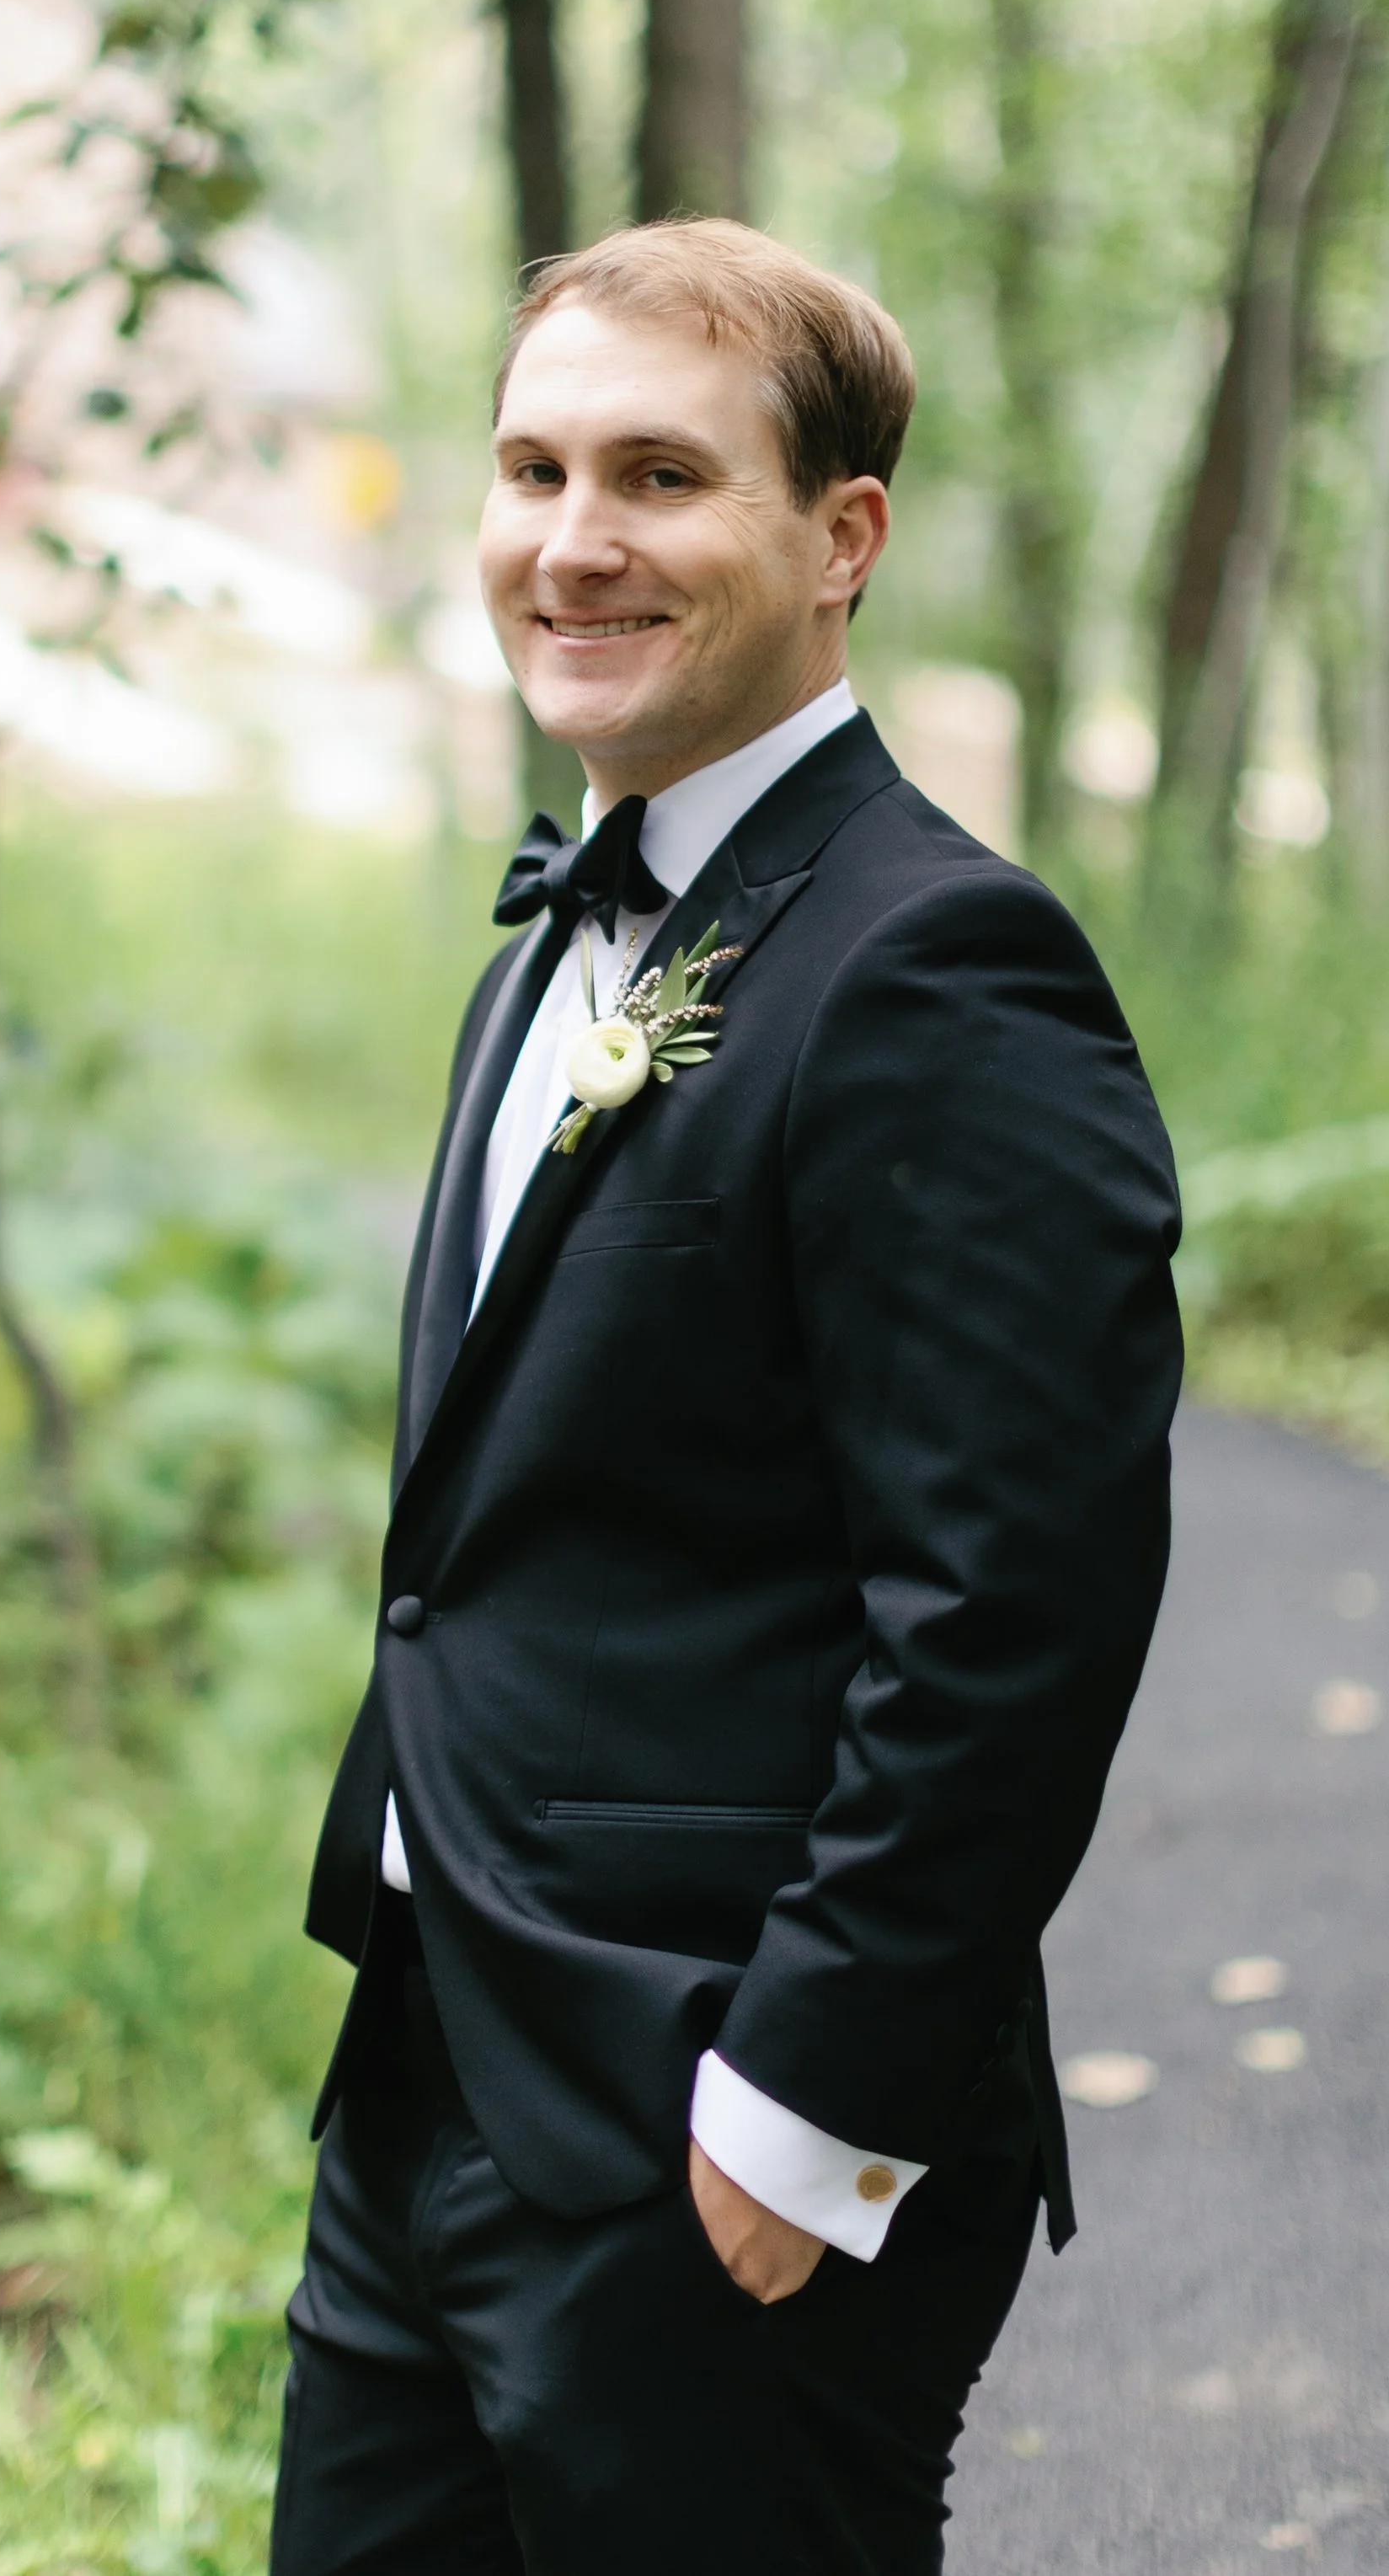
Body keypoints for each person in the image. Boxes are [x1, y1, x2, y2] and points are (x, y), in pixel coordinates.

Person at [269, 218, 1183, 2576]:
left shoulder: (935, 964)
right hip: (431, 2067)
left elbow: (1013, 1606)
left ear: (836, 534)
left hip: (707, 2126)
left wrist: (798, 2113)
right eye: (532, 465)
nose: (574, 539)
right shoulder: (576, 925)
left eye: (661, 476)